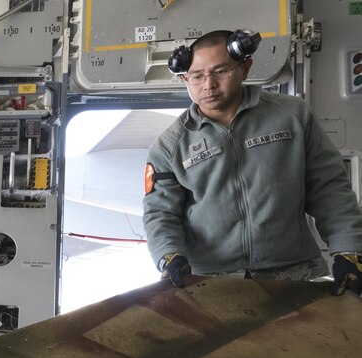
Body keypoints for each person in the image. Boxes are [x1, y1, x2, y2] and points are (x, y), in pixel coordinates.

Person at [143, 29, 362, 296]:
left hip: (294, 273)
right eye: (197, 76)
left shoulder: (292, 116)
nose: (208, 85)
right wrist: (169, 256)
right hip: (213, 280)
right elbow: (160, 213)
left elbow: (329, 189)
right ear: (185, 79)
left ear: (244, 68)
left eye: (220, 72)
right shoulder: (170, 145)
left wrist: (348, 250)